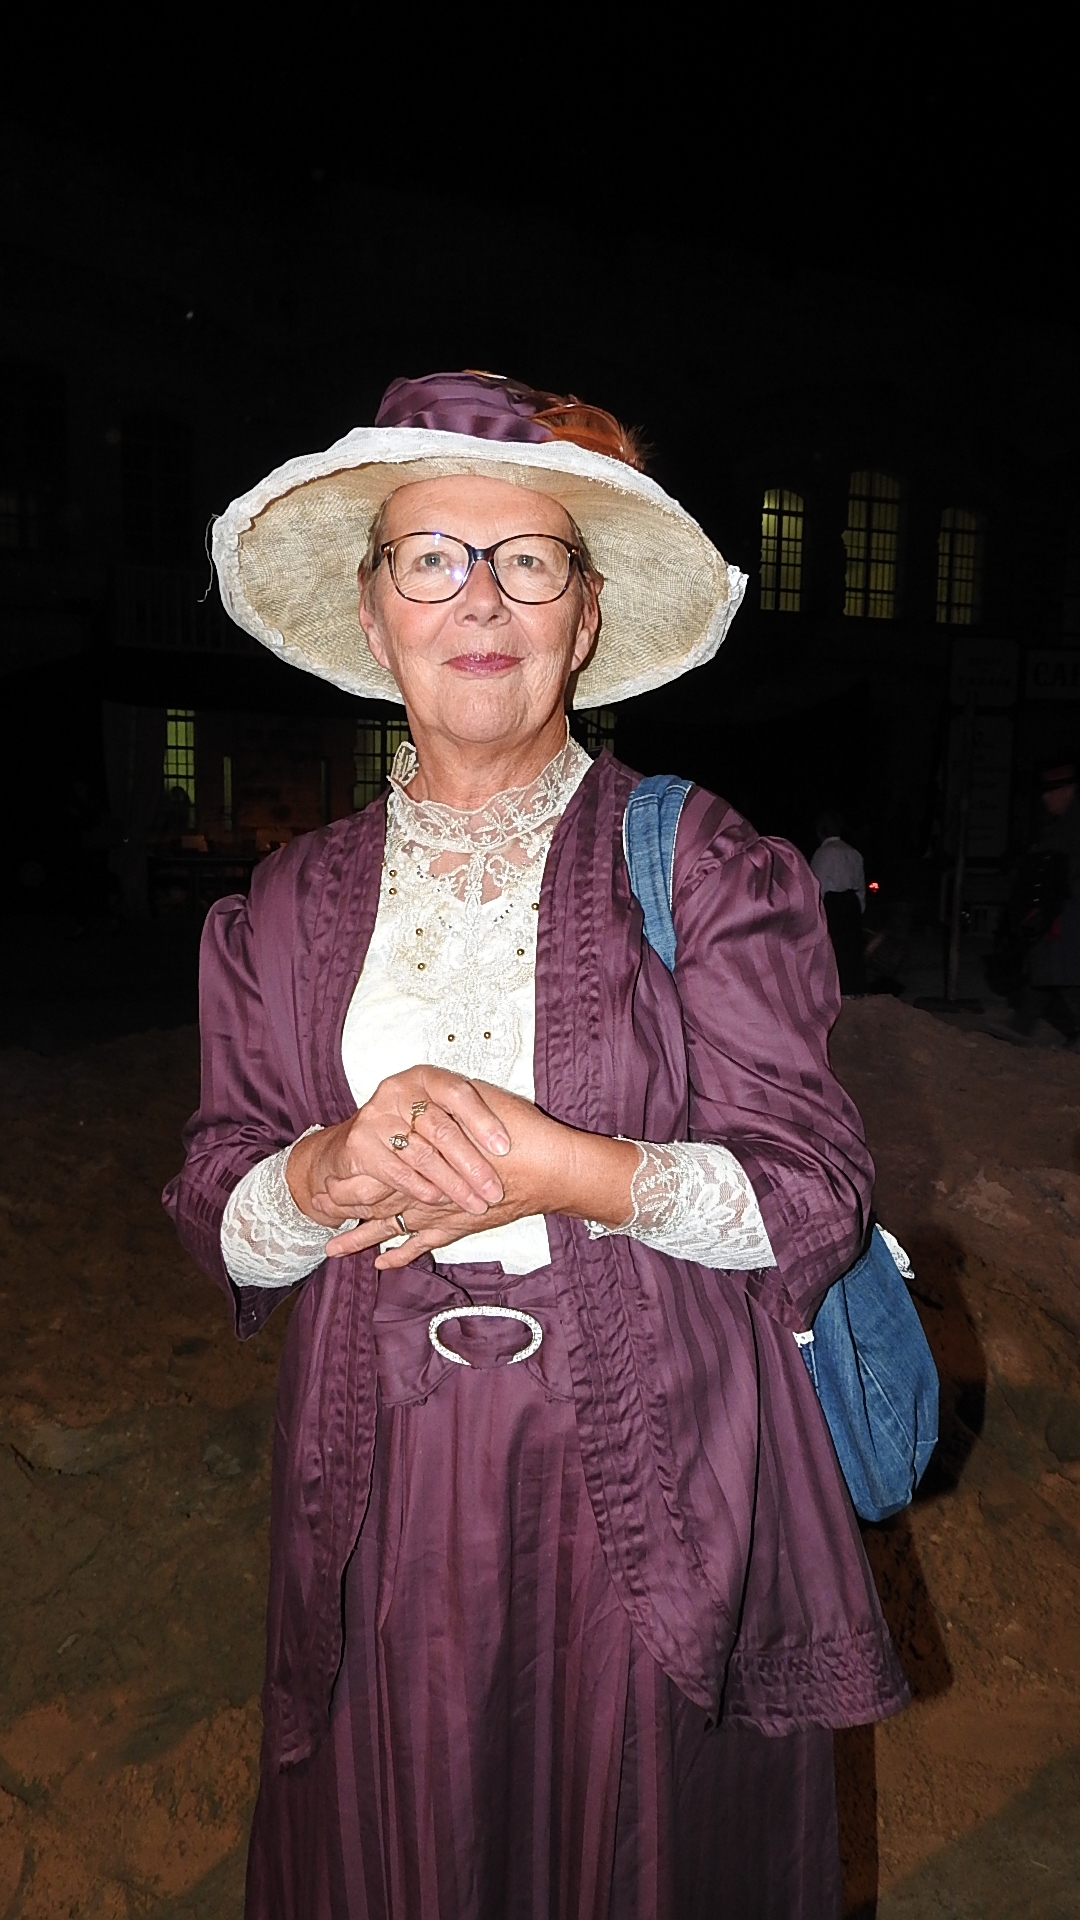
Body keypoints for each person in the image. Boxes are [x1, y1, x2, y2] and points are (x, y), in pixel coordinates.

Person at [164, 371, 907, 1919]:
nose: (479, 599)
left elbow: (813, 1194)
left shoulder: (701, 864)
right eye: (431, 556)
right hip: (380, 1478)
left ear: (583, 619)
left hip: (651, 1472)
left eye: (530, 560)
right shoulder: (288, 902)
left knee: (635, 1847)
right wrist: (318, 1176)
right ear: (375, 619)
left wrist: (572, 1168)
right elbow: (218, 1204)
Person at [1012, 758, 1080, 1044]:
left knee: (1062, 974)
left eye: (1053, 792)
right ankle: (1019, 1029)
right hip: (1057, 913)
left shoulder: (1071, 827)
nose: (1046, 798)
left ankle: (1020, 1030)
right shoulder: (1059, 825)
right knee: (1047, 972)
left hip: (1067, 914)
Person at [810, 809, 867, 996]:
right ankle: (853, 990)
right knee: (852, 948)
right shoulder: (853, 852)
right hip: (851, 903)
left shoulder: (823, 853)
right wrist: (860, 907)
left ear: (820, 831)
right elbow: (860, 884)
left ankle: (835, 993)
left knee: (834, 949)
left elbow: (816, 885)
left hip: (833, 905)